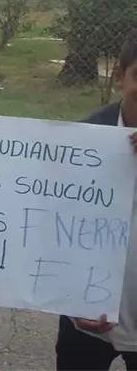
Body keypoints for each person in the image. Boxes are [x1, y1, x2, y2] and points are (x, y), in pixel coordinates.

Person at [54, 31, 137, 370]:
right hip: (87, 315)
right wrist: (70, 296)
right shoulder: (84, 140)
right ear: (119, 76)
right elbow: (50, 225)